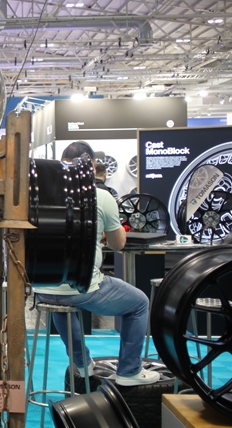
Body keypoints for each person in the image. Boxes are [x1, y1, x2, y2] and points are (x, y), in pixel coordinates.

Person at [34, 141, 159, 386]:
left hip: (42, 288)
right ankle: (129, 371)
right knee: (140, 303)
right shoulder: (101, 196)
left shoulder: (41, 196)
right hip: (83, 287)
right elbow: (118, 244)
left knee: (59, 298)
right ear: (91, 165)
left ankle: (82, 362)